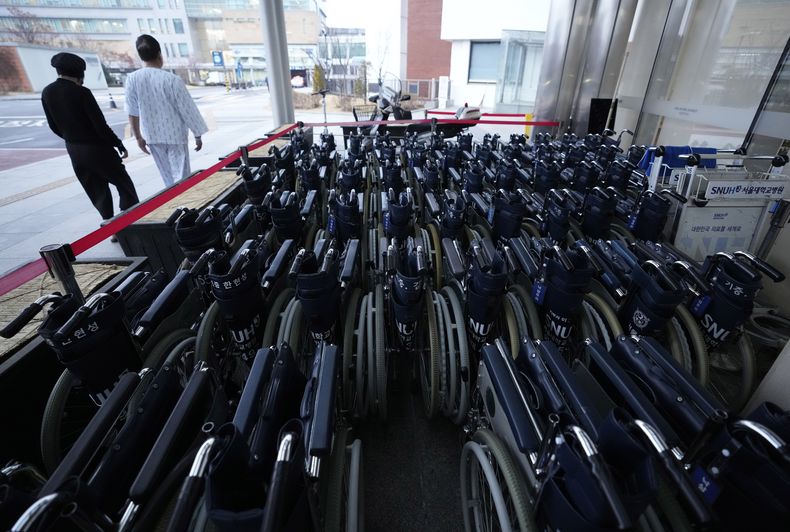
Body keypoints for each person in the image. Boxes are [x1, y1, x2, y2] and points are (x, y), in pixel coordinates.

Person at [41, 52, 139, 230]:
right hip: (97, 148)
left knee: (96, 190)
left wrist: (71, 138)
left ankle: (111, 228)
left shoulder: (47, 92)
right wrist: (118, 143)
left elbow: (53, 126)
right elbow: (100, 125)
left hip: (74, 149)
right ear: (80, 73)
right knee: (123, 184)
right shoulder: (82, 93)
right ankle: (129, 223)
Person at [125, 34, 208, 187]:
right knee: (181, 176)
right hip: (175, 134)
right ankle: (183, 203)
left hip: (152, 135)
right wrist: (197, 134)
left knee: (167, 177)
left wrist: (138, 137)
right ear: (159, 55)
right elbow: (187, 109)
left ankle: (171, 201)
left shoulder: (132, 79)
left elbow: (132, 111)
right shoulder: (171, 80)